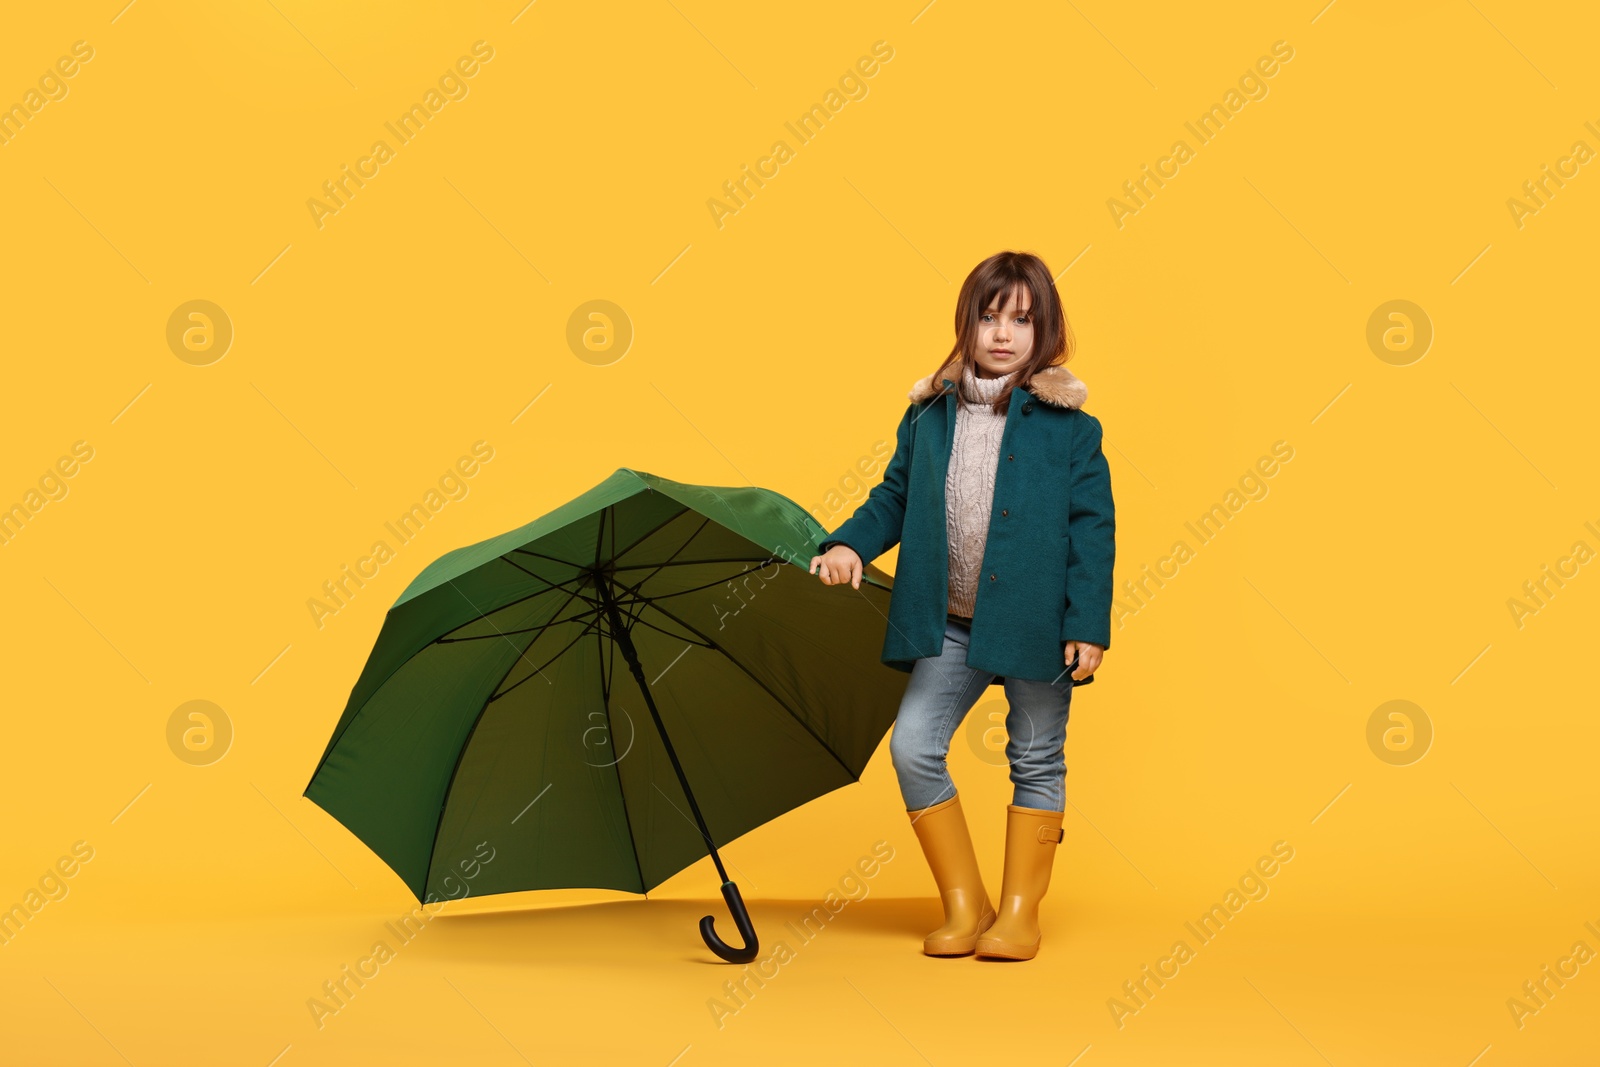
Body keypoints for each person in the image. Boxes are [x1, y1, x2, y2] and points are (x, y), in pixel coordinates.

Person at [808, 250, 1115, 961]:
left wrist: (1087, 625)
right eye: (989, 316)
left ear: (1045, 333)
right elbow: (893, 496)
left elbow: (1091, 530)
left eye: (1022, 320)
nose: (1003, 333)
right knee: (914, 745)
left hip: (1038, 626)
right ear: (966, 323)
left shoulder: (1070, 427)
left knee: (1036, 757)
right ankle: (965, 901)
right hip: (948, 620)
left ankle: (1017, 912)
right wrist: (851, 544)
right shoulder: (928, 414)